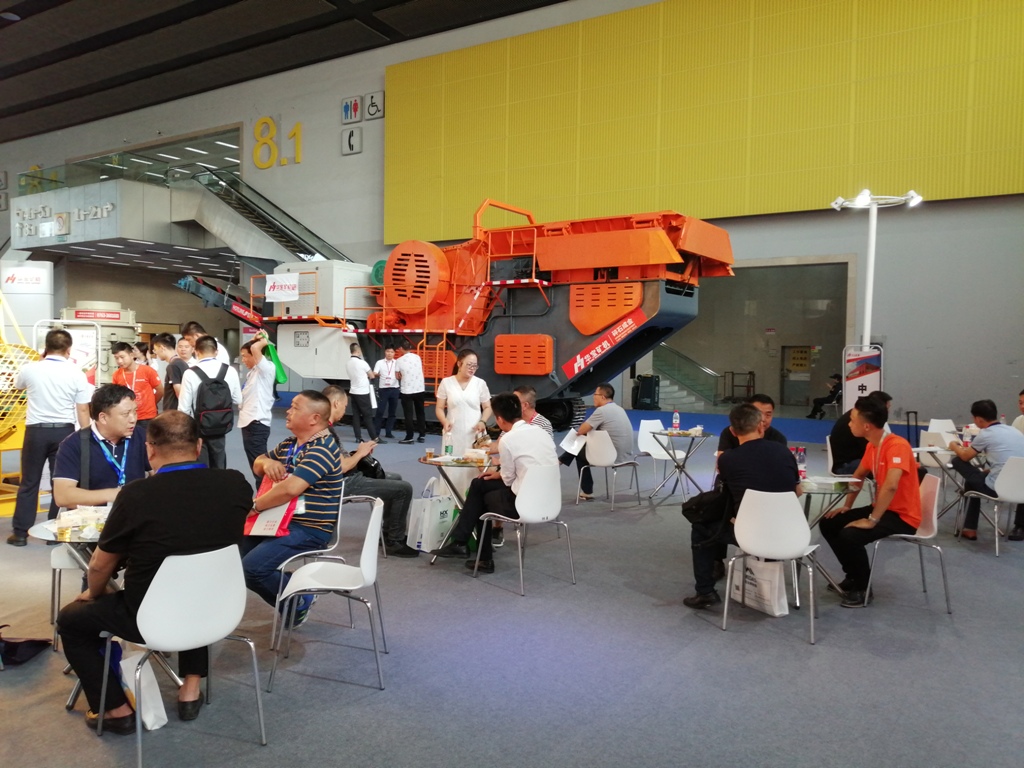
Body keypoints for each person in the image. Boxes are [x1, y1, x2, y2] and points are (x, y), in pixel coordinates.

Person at [56, 411, 252, 734]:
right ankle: (190, 688)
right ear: (199, 445)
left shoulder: (137, 495)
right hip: (220, 606)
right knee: (193, 587)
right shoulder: (236, 484)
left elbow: (100, 564)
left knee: (71, 620)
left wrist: (94, 593)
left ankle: (115, 710)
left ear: (149, 449)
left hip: (149, 615)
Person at [240, 391, 344, 626]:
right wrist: (268, 462)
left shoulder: (323, 447)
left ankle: (299, 600)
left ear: (314, 418)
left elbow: (291, 489)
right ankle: (294, 587)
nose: (288, 411)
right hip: (278, 519)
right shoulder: (290, 444)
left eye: (295, 408)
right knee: (234, 559)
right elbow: (258, 463)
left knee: (251, 569)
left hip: (309, 528)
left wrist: (255, 507)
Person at [683, 403, 801, 609]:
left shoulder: (728, 460)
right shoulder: (784, 452)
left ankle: (705, 592)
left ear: (732, 431)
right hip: (791, 532)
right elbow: (797, 491)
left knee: (701, 528)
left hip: (751, 533)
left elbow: (727, 493)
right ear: (760, 426)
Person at [430, 392, 558, 573]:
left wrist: (500, 474)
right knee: (480, 485)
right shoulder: (540, 432)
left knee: (480, 494)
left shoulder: (508, 439)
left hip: (523, 504)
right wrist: (498, 475)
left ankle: (468, 547)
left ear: (499, 419)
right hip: (551, 500)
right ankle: (469, 549)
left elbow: (508, 479)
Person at [819, 395, 921, 607]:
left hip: (903, 516)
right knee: (829, 523)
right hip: (883, 509)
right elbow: (858, 476)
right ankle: (852, 575)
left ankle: (862, 587)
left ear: (866, 426)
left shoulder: (897, 446)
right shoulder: (872, 447)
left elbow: (891, 485)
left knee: (851, 535)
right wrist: (847, 507)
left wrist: (872, 520)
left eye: (852, 420)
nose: (849, 424)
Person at [7, 329, 93, 547]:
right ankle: (55, 532)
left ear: (45, 347)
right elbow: (83, 409)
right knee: (61, 483)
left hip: (36, 431)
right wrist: (87, 438)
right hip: (64, 432)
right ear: (69, 349)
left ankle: (20, 534)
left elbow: (17, 385)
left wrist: (39, 360)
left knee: (29, 482)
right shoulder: (76, 373)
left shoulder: (30, 369)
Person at [322, 386, 418, 557]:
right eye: (344, 406)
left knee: (395, 479)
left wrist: (358, 453)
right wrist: (360, 453)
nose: (344, 411)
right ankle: (394, 541)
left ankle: (389, 534)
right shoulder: (325, 432)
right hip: (344, 482)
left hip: (343, 477)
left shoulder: (326, 428)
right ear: (336, 403)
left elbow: (337, 459)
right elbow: (342, 467)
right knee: (404, 489)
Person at [52, 385, 151, 509]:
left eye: (135, 412)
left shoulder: (142, 436)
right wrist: (117, 494)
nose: (133, 419)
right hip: (92, 517)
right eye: (126, 414)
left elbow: (160, 476)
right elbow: (63, 496)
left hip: (135, 513)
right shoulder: (74, 444)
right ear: (103, 418)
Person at [946, 398, 1024, 541]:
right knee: (972, 483)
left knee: (957, 461)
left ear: (978, 419)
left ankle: (970, 529)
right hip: (1019, 488)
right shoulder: (1014, 431)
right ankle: (969, 529)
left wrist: (953, 445)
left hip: (997, 488)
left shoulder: (986, 433)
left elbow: (965, 456)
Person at [559, 383, 632, 501]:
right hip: (624, 454)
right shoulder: (620, 409)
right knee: (583, 442)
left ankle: (587, 491)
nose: (593, 397)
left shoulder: (602, 411)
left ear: (602, 397)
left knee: (578, 450)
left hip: (612, 455)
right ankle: (560, 460)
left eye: (595, 394)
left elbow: (581, 430)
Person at [178, 335, 242, 469]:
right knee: (219, 462)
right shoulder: (230, 370)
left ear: (196, 351)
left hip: (199, 426)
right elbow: (237, 399)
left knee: (201, 463)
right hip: (222, 424)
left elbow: (183, 408)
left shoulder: (190, 373)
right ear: (216, 352)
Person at [435, 349, 492, 494]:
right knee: (452, 466)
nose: (472, 369)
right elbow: (439, 408)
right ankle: (449, 499)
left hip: (475, 434)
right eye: (469, 365)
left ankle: (473, 500)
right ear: (459, 364)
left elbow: (487, 407)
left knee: (474, 467)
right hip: (453, 433)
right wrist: (444, 421)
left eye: (475, 366)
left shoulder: (480, 383)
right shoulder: (446, 382)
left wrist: (483, 421)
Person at [238, 332, 276, 480]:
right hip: (249, 423)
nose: (243, 360)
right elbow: (253, 348)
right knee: (255, 466)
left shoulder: (266, 369)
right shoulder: (253, 373)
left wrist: (264, 340)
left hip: (256, 423)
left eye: (245, 356)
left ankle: (264, 493)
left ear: (255, 355)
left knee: (259, 468)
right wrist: (253, 341)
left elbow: (255, 348)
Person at [829, 391, 892, 474]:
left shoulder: (860, 418)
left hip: (852, 460)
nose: (887, 412)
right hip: (845, 464)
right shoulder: (860, 422)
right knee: (881, 463)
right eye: (886, 408)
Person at [111, 341, 162, 433]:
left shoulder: (147, 371)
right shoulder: (116, 375)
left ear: (131, 355)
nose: (119, 361)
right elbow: (116, 396)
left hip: (146, 417)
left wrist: (151, 403)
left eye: (122, 357)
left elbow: (160, 390)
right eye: (116, 358)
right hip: (126, 417)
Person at [717, 394, 786, 454]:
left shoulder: (778, 439)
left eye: (768, 415)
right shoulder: (731, 432)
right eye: (758, 414)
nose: (763, 419)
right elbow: (721, 460)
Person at [346, 343, 380, 443]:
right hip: (363, 392)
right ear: (358, 351)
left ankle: (358, 437)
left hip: (353, 391)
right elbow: (371, 375)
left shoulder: (348, 363)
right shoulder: (362, 363)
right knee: (367, 415)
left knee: (356, 415)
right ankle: (374, 437)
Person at [396, 339, 427, 444]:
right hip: (419, 388)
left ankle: (409, 437)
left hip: (407, 390)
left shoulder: (399, 360)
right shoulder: (417, 357)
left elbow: (397, 376)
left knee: (408, 414)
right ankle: (422, 435)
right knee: (420, 412)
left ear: (401, 348)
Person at [150, 333, 189, 411]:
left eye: (155, 350)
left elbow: (180, 394)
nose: (155, 353)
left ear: (162, 348)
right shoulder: (181, 363)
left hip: (174, 412)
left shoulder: (173, 365)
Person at [372, 344, 401, 440]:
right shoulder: (379, 362)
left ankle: (389, 432)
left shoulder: (397, 362)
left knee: (392, 412)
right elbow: (375, 373)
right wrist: (379, 375)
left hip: (394, 389)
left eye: (392, 352)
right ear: (385, 352)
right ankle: (376, 432)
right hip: (383, 389)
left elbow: (400, 374)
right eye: (388, 351)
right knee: (380, 411)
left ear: (394, 353)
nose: (389, 353)